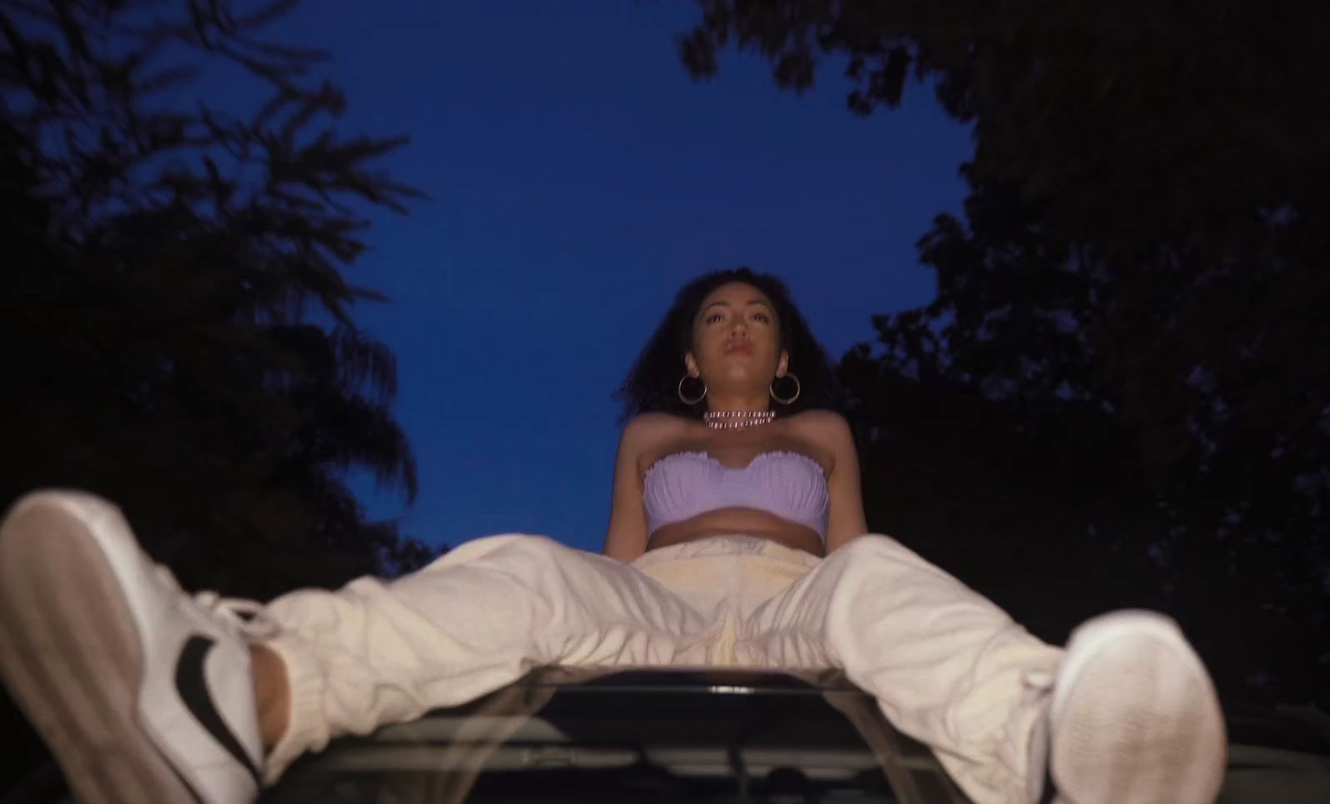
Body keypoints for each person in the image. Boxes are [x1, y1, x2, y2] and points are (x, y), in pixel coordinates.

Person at [0, 267, 1227, 804]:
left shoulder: (825, 432)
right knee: (531, 566)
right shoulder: (648, 432)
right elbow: (617, 559)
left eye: (755, 314)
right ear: (691, 355)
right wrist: (591, 614)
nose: (737, 325)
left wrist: (854, 606)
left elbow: (860, 557)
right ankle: (235, 701)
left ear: (781, 348)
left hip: (806, 605)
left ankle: (1043, 745)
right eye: (715, 315)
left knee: (878, 572)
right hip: (668, 603)